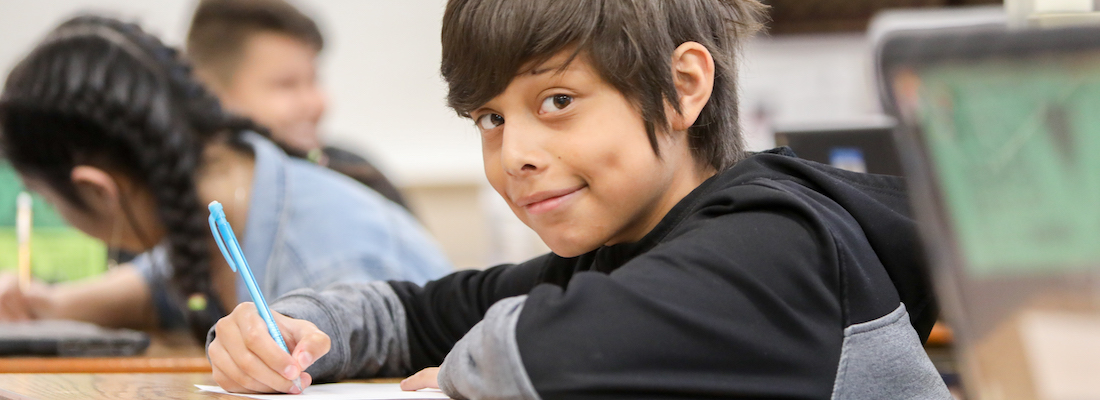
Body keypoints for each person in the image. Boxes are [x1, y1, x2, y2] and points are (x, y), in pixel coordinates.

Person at [206, 0, 952, 398]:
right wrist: (293, 327)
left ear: (684, 86)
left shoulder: (780, 241)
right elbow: (418, 313)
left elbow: (530, 350)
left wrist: (478, 367)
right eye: (491, 119)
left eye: (558, 100)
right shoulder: (618, 253)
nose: (517, 154)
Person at [0, 16, 452, 342]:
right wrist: (48, 305)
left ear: (97, 189)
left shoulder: (321, 268)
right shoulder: (227, 197)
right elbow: (160, 284)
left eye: (47, 199)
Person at [185, 0, 411, 211]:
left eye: (314, 80)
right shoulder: (180, 197)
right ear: (209, 93)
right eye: (286, 84)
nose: (316, 103)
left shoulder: (361, 179)